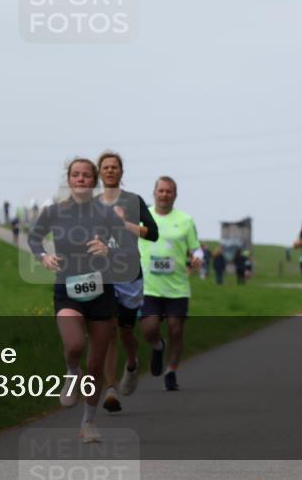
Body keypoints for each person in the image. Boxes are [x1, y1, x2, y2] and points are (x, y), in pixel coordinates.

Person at [28, 158, 133, 443]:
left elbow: (126, 248)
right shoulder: (54, 211)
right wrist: (44, 256)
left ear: (94, 180)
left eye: (86, 175)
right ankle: (72, 372)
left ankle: (88, 422)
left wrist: (108, 249)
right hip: (67, 289)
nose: (81, 179)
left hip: (101, 292)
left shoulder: (106, 213)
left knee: (96, 363)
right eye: (76, 174)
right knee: (74, 345)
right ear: (69, 179)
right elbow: (34, 238)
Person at [94, 151, 159, 414]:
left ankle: (132, 363)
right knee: (108, 331)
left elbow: (153, 233)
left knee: (125, 332)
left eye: (114, 167)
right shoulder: (91, 204)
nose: (110, 171)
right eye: (106, 167)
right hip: (102, 274)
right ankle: (110, 389)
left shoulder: (134, 201)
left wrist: (125, 224)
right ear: (100, 172)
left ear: (121, 172)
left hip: (129, 274)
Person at [140, 176, 202, 391]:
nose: (164, 195)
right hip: (149, 287)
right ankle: (158, 346)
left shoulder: (185, 220)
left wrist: (197, 258)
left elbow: (196, 248)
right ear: (154, 192)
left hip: (177, 287)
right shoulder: (142, 218)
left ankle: (171, 372)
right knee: (149, 329)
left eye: (169, 191)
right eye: (161, 190)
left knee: (176, 330)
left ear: (175, 195)